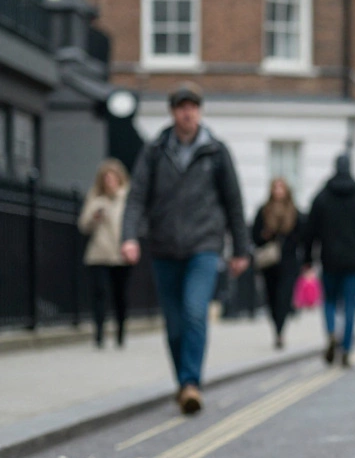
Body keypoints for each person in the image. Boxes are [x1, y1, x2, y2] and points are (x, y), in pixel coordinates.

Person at [122, 83, 251, 415]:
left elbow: (233, 202)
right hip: (164, 248)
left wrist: (241, 249)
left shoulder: (216, 152)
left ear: (200, 111)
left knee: (195, 312)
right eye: (181, 107)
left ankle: (192, 382)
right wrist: (129, 236)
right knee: (175, 324)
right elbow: (136, 196)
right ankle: (184, 382)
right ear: (173, 112)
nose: (187, 112)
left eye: (193, 106)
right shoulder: (154, 151)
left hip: (204, 247)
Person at [300, 155, 355, 367]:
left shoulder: (321, 197)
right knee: (349, 305)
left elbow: (309, 232)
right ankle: (346, 348)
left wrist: (307, 259)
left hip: (328, 260)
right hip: (354, 261)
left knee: (328, 301)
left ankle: (331, 333)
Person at [78, 158, 132, 349]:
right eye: (106, 178)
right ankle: (99, 335)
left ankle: (120, 334)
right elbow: (83, 225)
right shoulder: (95, 198)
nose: (109, 182)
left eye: (113, 178)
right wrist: (94, 217)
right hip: (99, 253)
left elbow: (133, 225)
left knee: (120, 296)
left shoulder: (127, 198)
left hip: (121, 255)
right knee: (99, 294)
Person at [252, 178, 304, 350]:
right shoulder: (264, 211)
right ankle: (276, 327)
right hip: (270, 264)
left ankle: (280, 332)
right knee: (272, 298)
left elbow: (302, 236)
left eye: (281, 187)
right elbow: (254, 236)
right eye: (276, 187)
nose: (278, 191)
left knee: (284, 298)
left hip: (288, 262)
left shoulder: (295, 213)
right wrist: (264, 236)